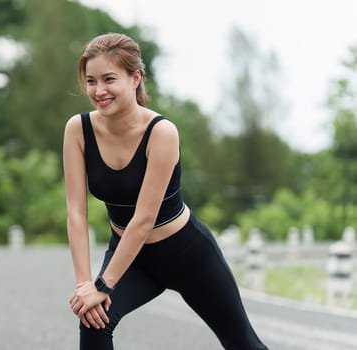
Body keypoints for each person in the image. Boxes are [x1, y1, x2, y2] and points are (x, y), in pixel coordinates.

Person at [62, 33, 268, 350]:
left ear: (136, 78)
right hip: (131, 259)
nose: (99, 90)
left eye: (109, 79)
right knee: (94, 319)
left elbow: (144, 220)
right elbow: (76, 212)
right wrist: (85, 285)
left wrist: (103, 284)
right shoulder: (78, 129)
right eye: (91, 81)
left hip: (187, 254)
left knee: (243, 344)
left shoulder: (161, 132)